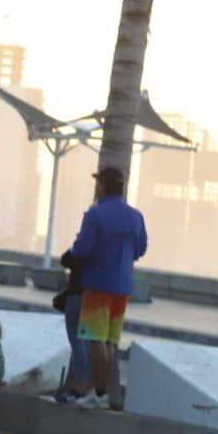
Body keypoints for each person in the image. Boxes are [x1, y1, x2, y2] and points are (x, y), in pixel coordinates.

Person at [71, 167, 147, 409]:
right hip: (122, 286)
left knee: (95, 340)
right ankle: (101, 394)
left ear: (102, 185)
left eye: (98, 182)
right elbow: (141, 249)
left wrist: (75, 249)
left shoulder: (96, 214)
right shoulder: (136, 216)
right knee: (110, 342)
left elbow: (81, 249)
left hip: (97, 285)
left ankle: (100, 394)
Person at [54, 246, 90, 403]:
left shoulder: (82, 247)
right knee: (87, 343)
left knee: (77, 343)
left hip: (76, 297)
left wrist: (76, 245)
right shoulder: (104, 249)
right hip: (95, 300)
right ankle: (84, 386)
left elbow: (64, 260)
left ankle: (78, 389)